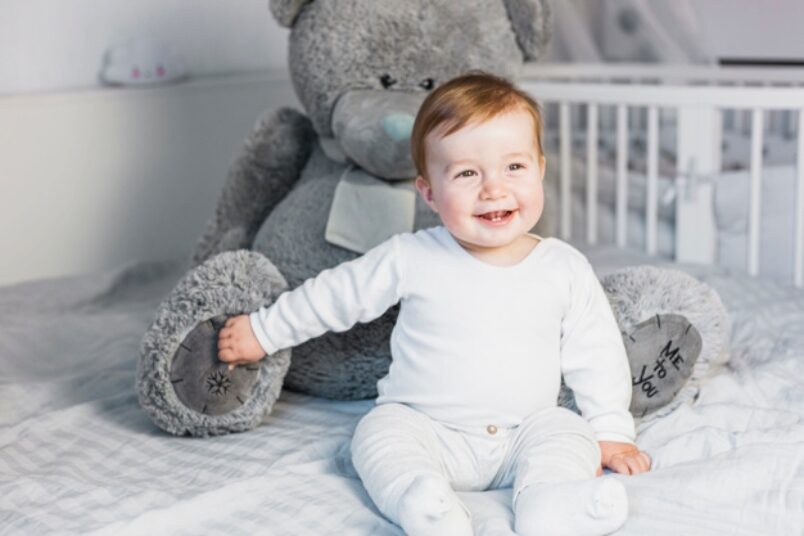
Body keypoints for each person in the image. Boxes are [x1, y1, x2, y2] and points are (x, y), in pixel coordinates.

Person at [217, 72, 651, 536]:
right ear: (428, 192)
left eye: (514, 167)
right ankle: (422, 502)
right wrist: (264, 331)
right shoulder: (411, 256)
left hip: (524, 433)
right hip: (427, 429)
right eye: (467, 173)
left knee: (566, 432)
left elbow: (597, 353)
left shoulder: (563, 266)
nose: (493, 189)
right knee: (378, 433)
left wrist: (611, 432)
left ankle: (549, 504)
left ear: (540, 169)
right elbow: (335, 295)